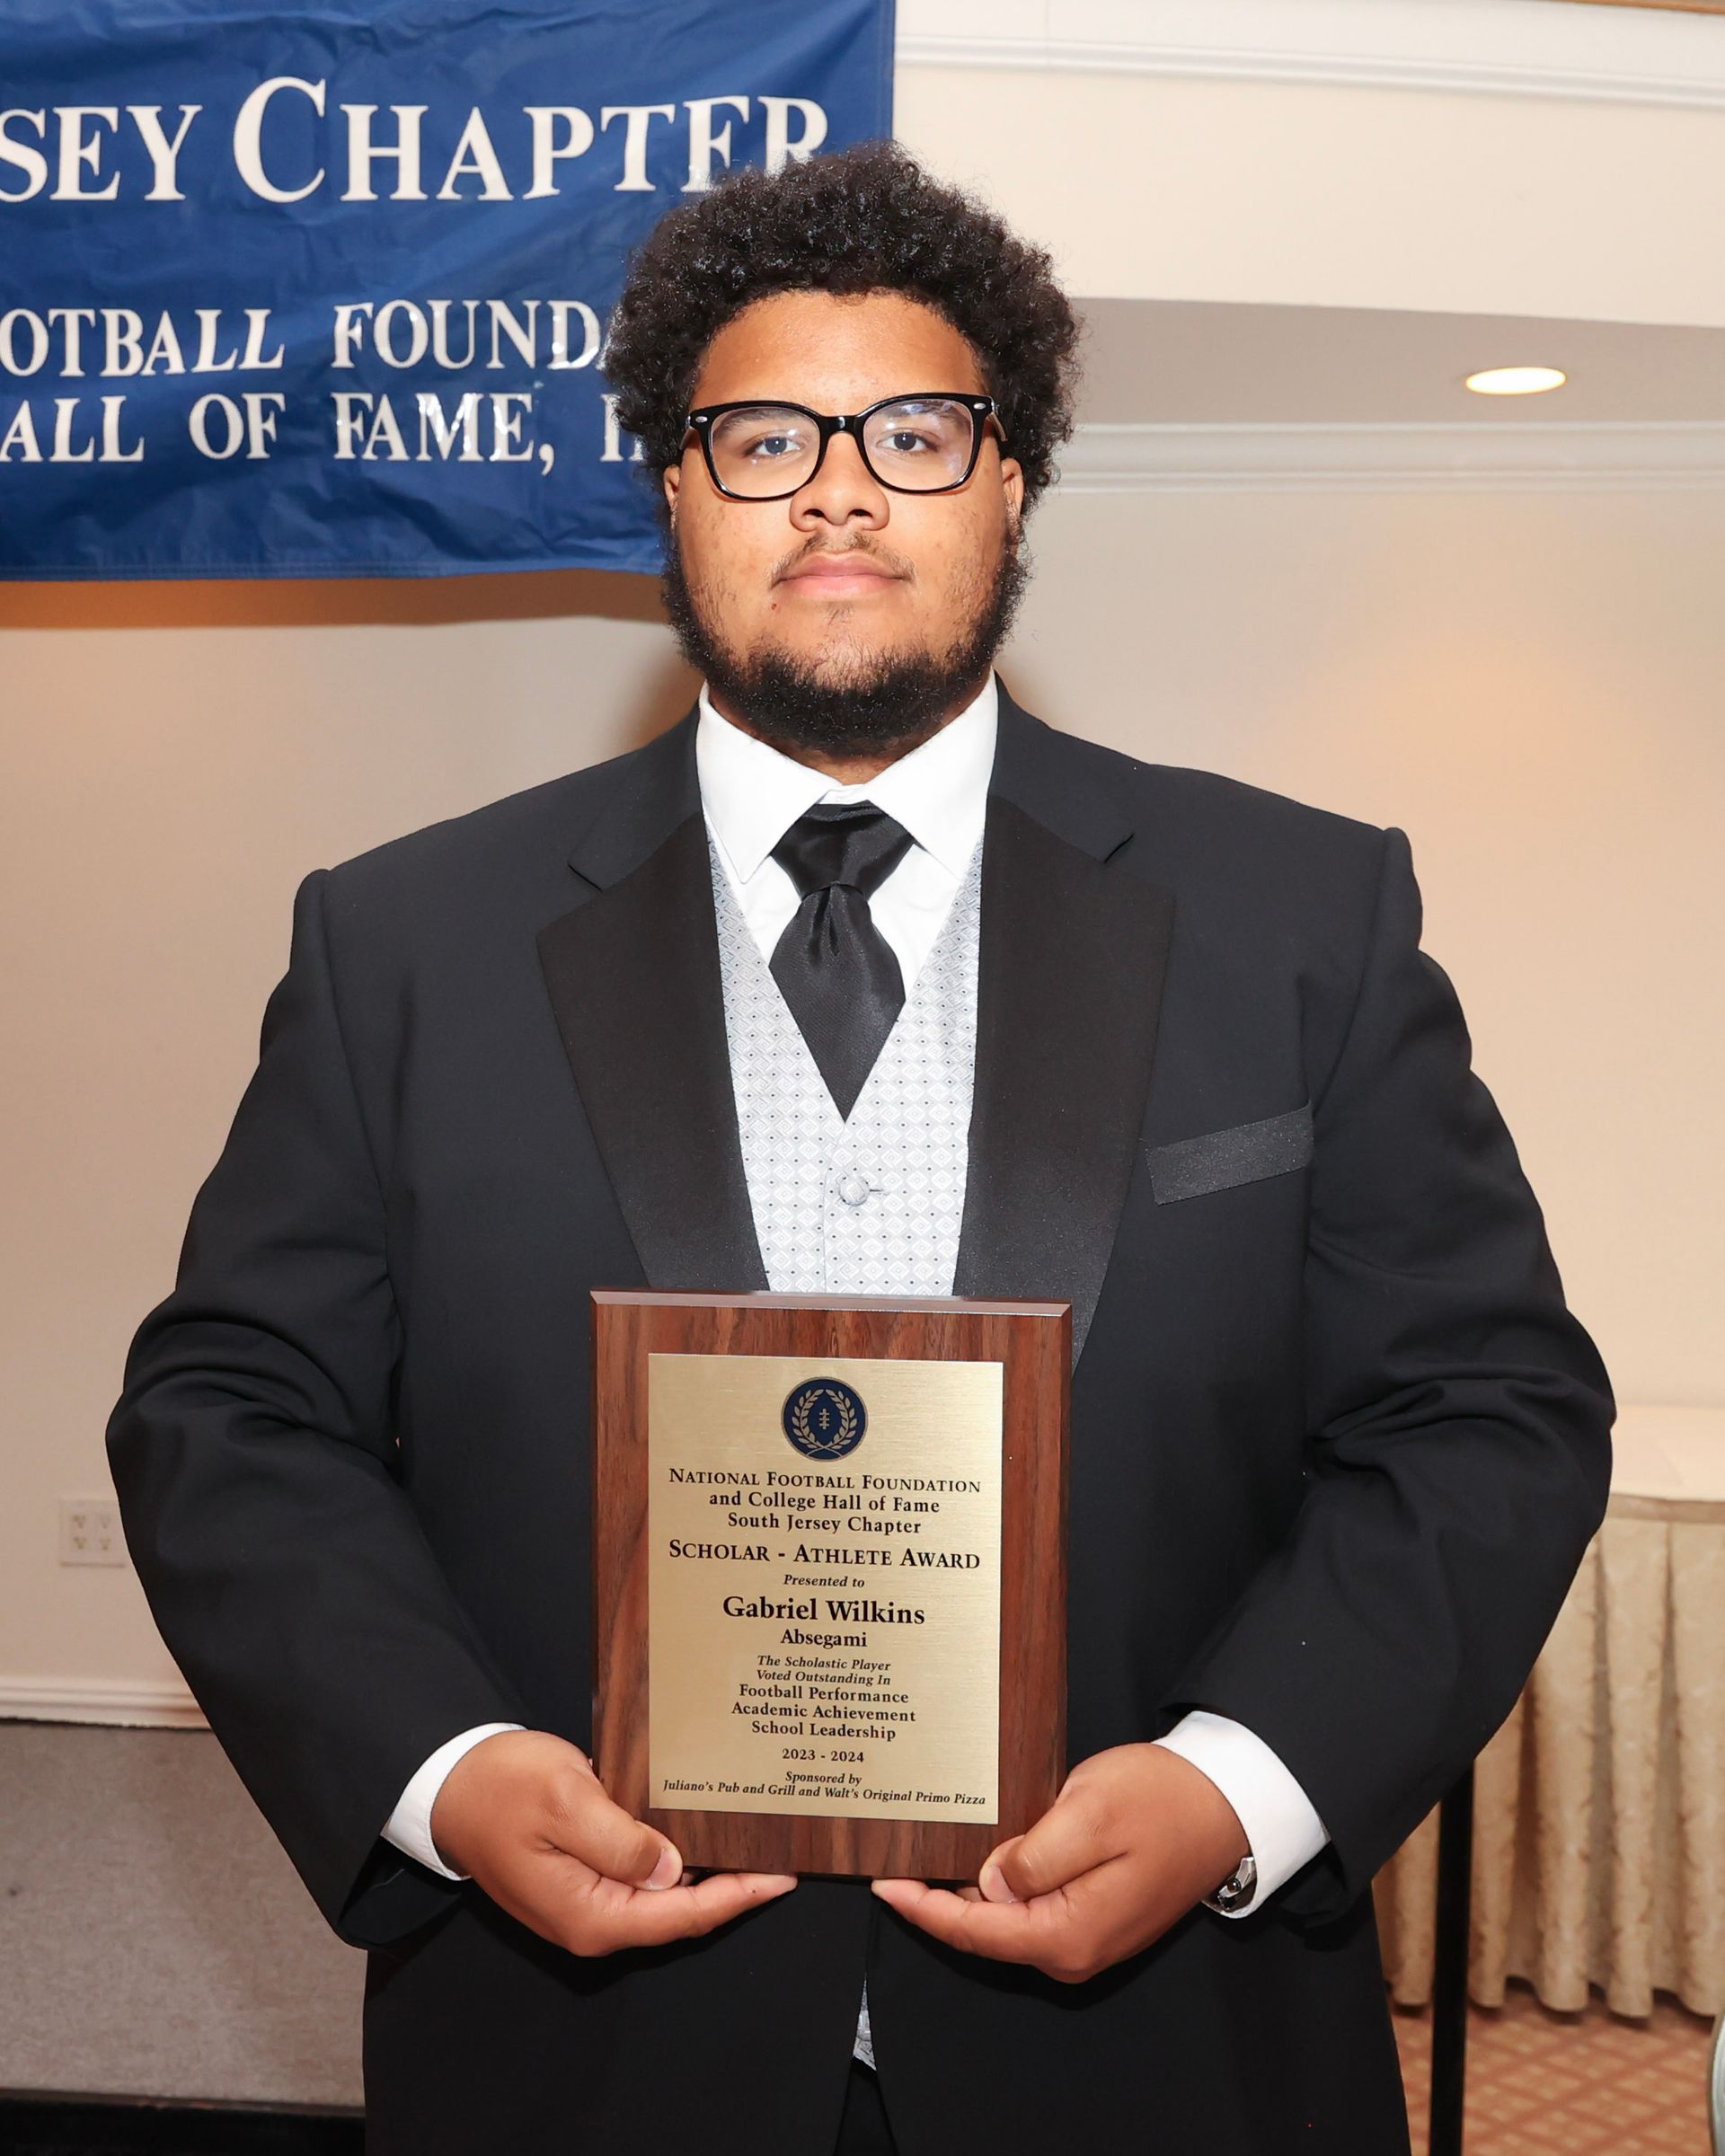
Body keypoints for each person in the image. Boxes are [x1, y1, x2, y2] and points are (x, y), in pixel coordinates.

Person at [108, 140, 1614, 2155]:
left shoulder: (1301, 918)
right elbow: (230, 1418)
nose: (835, 484)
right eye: (760, 435)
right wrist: (447, 1767)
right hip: (591, 2062)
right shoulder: (401, 944)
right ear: (671, 482)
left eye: (912, 429)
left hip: (1168, 2065)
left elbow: (1488, 1414)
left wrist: (1238, 1786)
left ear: (1011, 481)